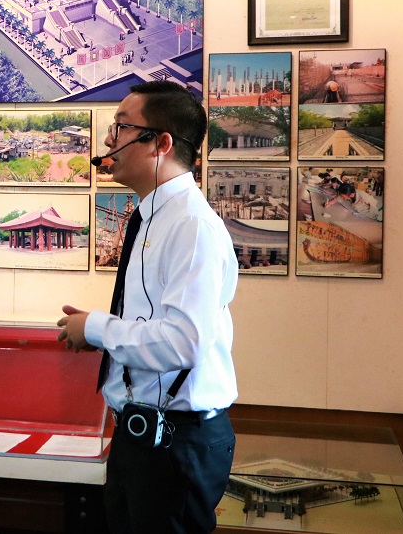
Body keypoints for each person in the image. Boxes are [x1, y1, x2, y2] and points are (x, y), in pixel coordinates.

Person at [57, 81, 237, 534]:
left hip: (174, 442)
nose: (108, 140)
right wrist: (102, 334)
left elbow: (184, 342)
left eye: (121, 127)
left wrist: (97, 328)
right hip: (142, 435)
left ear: (161, 143)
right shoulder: (154, 216)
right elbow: (156, 323)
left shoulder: (190, 225)